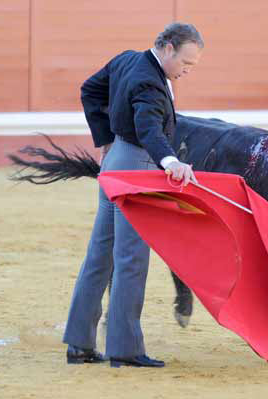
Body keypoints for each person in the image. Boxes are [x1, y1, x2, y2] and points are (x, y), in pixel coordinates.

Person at [62, 23, 203, 368]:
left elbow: (90, 90)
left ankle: (79, 344)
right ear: (168, 48)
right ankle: (124, 348)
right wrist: (170, 161)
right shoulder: (149, 83)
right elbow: (149, 130)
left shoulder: (127, 60)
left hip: (115, 163)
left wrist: (106, 138)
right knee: (130, 258)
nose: (187, 70)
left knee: (100, 255)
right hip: (137, 167)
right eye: (186, 62)